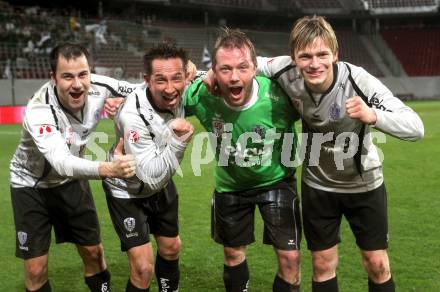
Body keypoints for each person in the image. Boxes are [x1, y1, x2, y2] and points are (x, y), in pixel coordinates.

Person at [256, 16, 424, 292]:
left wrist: (374, 115)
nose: (314, 63)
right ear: (293, 58)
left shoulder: (358, 80)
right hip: (318, 187)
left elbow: (415, 127)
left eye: (322, 54)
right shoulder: (283, 70)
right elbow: (244, 63)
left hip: (364, 185)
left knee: (376, 263)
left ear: (335, 54)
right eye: (305, 56)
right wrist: (203, 73)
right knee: (322, 265)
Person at [10, 42, 139, 292]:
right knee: (35, 269)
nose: (77, 84)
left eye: (83, 74)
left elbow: (144, 90)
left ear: (90, 72)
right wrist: (110, 169)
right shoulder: (39, 109)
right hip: (30, 186)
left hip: (70, 183)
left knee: (93, 252)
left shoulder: (100, 86)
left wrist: (197, 73)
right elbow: (61, 162)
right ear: (53, 78)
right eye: (67, 76)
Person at [185, 28, 301, 292]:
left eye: (242, 67)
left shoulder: (279, 95)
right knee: (233, 256)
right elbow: (162, 96)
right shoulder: (202, 95)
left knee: (291, 260)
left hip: (277, 181)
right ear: (213, 71)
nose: (234, 77)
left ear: (255, 67)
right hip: (231, 186)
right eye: (225, 69)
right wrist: (118, 102)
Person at [102, 42, 194, 292]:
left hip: (160, 184)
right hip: (128, 189)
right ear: (147, 80)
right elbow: (150, 177)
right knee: (143, 269)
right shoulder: (132, 115)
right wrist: (179, 141)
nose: (170, 88)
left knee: (172, 248)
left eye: (177, 78)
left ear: (186, 76)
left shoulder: (184, 87)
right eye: (160, 80)